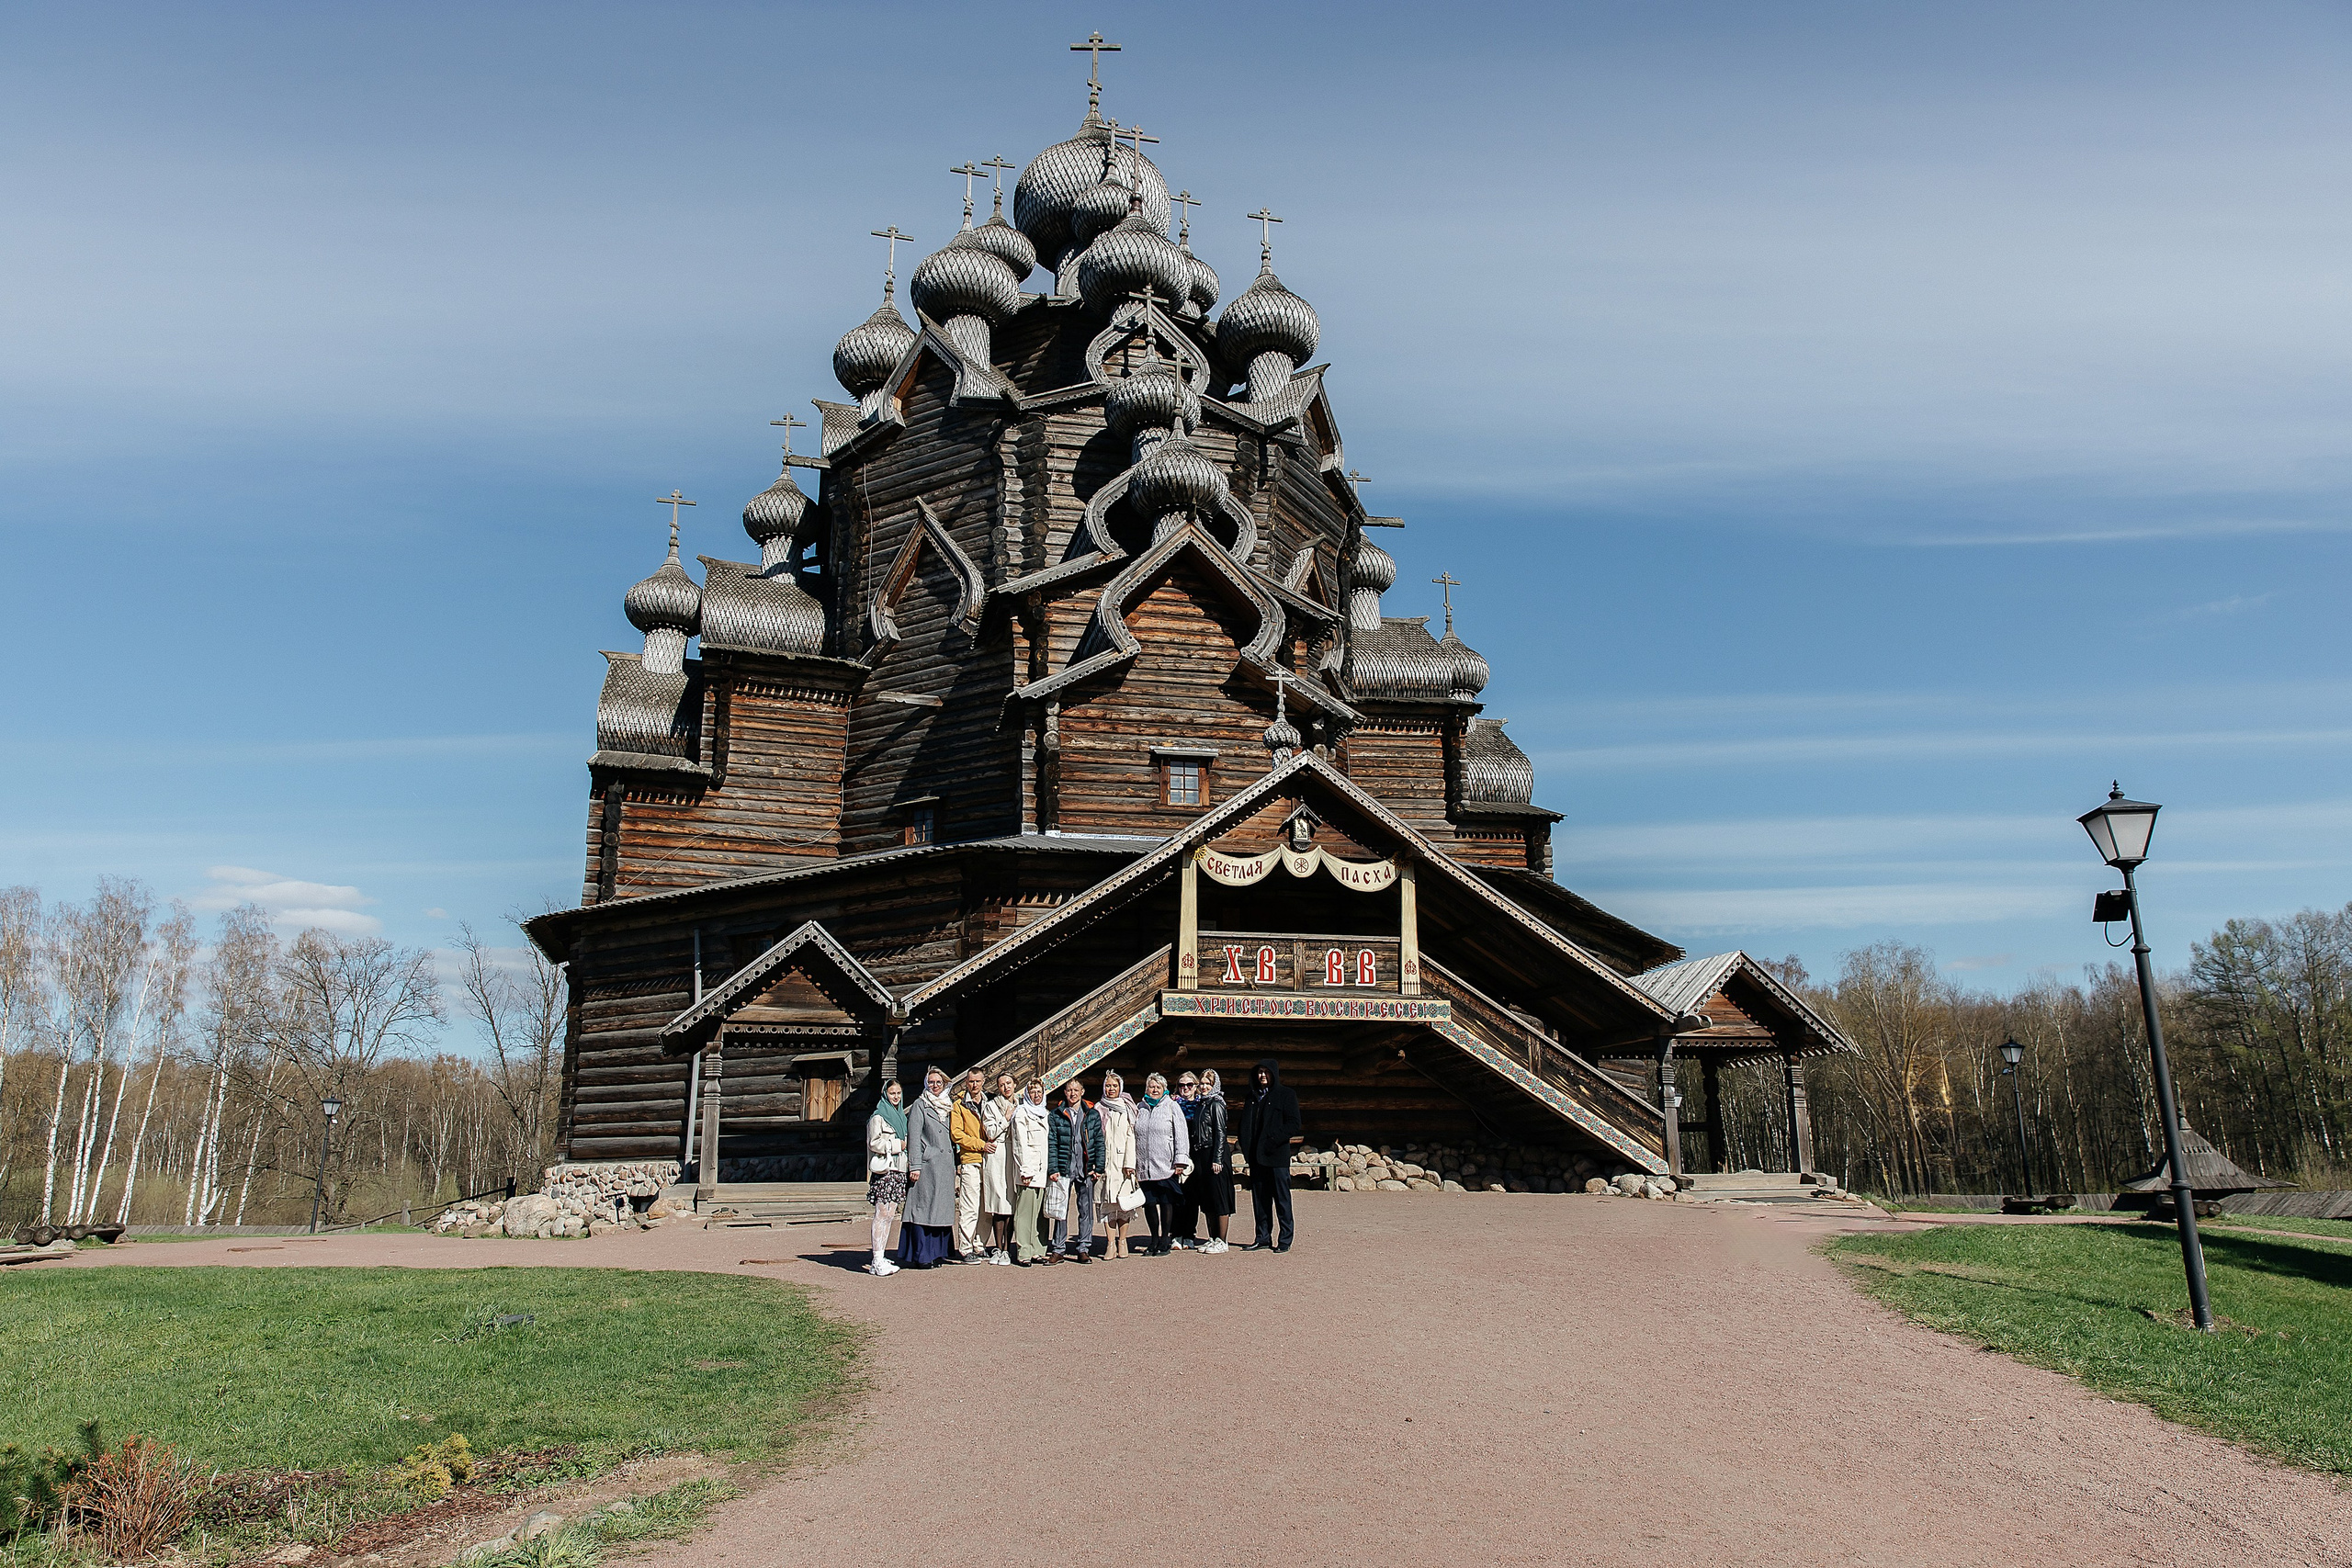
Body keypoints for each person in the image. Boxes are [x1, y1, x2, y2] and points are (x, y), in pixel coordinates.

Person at [894, 1067, 959, 1268]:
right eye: (931, 1082)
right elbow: (913, 1137)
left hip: (946, 1166)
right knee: (923, 1210)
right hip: (927, 1165)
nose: (935, 1086)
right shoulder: (920, 1105)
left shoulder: (949, 1106)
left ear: (944, 1084)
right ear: (926, 1084)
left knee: (940, 1212)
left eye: (938, 1082)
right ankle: (922, 1255)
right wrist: (915, 1165)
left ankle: (938, 1253)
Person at [1237, 1056, 1301, 1252]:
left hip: (1277, 1157)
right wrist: (1246, 1147)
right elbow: (1245, 1125)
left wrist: (1273, 1139)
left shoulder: (1286, 1095)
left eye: (1266, 1072)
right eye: (1259, 1072)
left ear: (1274, 1074)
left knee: (1282, 1200)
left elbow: (1293, 1123)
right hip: (1257, 1158)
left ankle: (1285, 1240)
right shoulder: (1252, 1097)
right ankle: (1262, 1237)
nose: (1262, 1075)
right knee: (1260, 1200)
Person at [1130, 1071, 1193, 1257]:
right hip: (1145, 1165)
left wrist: (1180, 1159)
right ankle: (1154, 1239)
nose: (1154, 1089)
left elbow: (1181, 1135)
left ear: (1164, 1089)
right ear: (1146, 1088)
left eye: (1158, 1087)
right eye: (1151, 1086)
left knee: (1166, 1202)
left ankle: (1165, 1238)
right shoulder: (1139, 1107)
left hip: (1166, 1164)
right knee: (1149, 1203)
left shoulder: (1172, 1107)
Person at [1047, 1077, 1102, 1263]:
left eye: (1076, 1090)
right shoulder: (1056, 1114)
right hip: (1064, 1166)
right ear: (1065, 1092)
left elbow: (1099, 1142)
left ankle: (1083, 1247)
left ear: (1082, 1092)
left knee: (1085, 1209)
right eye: (1069, 1090)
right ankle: (1058, 1248)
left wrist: (1098, 1166)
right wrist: (1053, 1167)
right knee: (1060, 1208)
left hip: (1085, 1167)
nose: (1072, 1093)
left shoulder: (1092, 1114)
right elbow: (1052, 1142)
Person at [1184, 1068, 1234, 1255]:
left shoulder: (1216, 1104)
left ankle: (1222, 1240)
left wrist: (1218, 1158)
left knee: (1219, 1197)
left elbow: (1221, 1132)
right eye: (1202, 1084)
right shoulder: (1201, 1104)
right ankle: (1212, 1238)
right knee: (1207, 1197)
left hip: (1214, 1154)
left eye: (1208, 1084)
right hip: (1201, 1155)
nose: (1204, 1087)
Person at [863, 1077, 908, 1276]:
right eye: (892, 1093)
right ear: (885, 1094)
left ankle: (880, 1256)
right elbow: (874, 1143)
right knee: (881, 1214)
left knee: (890, 1214)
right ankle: (877, 1259)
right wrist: (896, 1145)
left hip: (898, 1170)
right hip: (885, 1171)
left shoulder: (901, 1117)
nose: (896, 1097)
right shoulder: (878, 1117)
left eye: (898, 1093)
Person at [1096, 1071, 1140, 1259]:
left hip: (1123, 1165)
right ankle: (1110, 1244)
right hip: (1105, 1163)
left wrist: (1130, 1163)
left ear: (1120, 1087)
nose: (1111, 1089)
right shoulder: (1099, 1107)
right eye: (1108, 1086)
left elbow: (1131, 1137)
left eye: (1114, 1086)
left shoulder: (1127, 1108)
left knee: (1123, 1205)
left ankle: (1123, 1241)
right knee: (1107, 1205)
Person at [950, 1069, 992, 1261]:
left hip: (990, 1160)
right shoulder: (959, 1105)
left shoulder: (990, 1102)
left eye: (978, 1081)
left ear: (983, 1081)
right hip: (971, 1159)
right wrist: (981, 1145)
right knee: (970, 1206)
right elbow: (957, 1134)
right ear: (966, 1082)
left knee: (986, 1206)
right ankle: (965, 1248)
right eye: (971, 1081)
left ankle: (980, 1244)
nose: (974, 1085)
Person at [1009, 1077, 1052, 1265]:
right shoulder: (1021, 1113)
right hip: (1029, 1170)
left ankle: (1038, 1249)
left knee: (1040, 1214)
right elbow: (1020, 1143)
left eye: (1039, 1092)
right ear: (1027, 1094)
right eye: (1033, 1092)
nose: (1036, 1095)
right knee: (1025, 1213)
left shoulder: (1046, 1114)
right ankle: (1024, 1251)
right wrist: (1025, 1169)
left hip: (1043, 1170)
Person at [980, 1072, 1017, 1263]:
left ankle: (1007, 1247)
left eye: (1009, 1083)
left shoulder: (1021, 1104)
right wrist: (1005, 1118)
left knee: (1010, 1203)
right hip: (997, 1155)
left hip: (1013, 1155)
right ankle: (997, 1246)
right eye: (1002, 1085)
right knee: (997, 1203)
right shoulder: (991, 1106)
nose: (1006, 1087)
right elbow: (991, 1131)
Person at [1170, 1072, 1203, 1248]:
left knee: (1192, 1196)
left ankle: (1189, 1233)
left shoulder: (1201, 1104)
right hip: (1176, 1154)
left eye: (1190, 1085)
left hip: (1195, 1153)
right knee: (1176, 1194)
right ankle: (1176, 1233)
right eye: (1182, 1085)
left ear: (1195, 1086)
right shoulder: (1172, 1104)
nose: (1186, 1089)